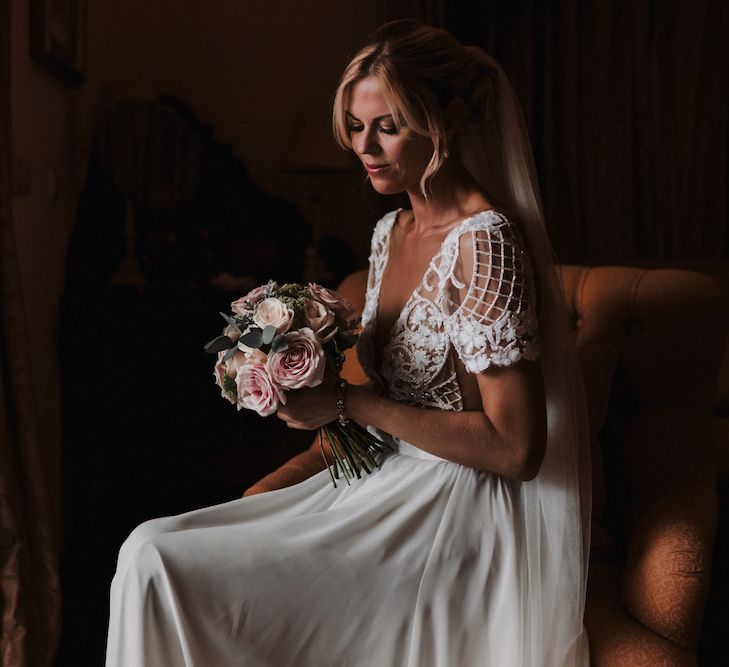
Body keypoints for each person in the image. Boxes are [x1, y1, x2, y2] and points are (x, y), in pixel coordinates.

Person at [106, 19, 591, 666]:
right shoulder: (390, 229)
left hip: (452, 506)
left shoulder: (487, 241)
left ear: (446, 119)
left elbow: (516, 447)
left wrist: (346, 404)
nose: (365, 146)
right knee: (145, 547)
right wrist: (296, 391)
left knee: (162, 562)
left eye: (388, 126)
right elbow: (377, 396)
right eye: (356, 126)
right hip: (376, 477)